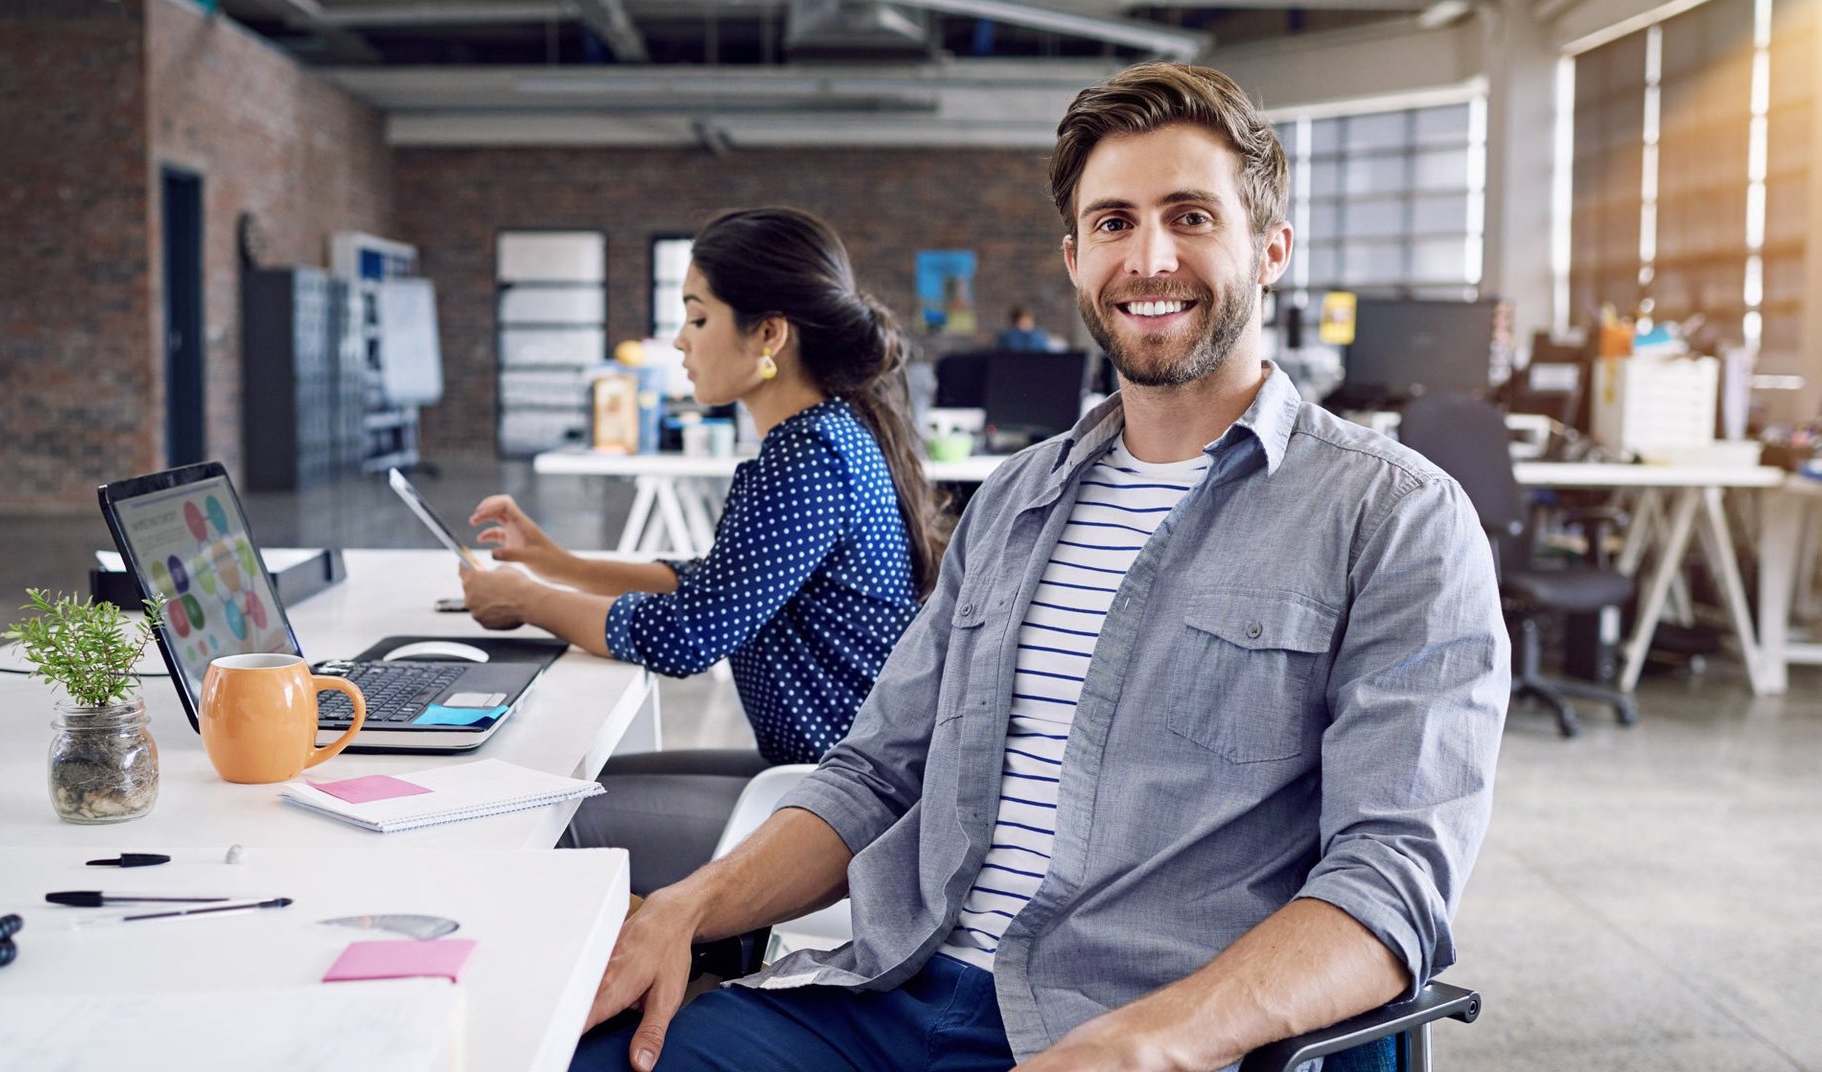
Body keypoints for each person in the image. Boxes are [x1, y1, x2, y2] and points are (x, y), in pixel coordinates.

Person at [573, 62, 1509, 1072]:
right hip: (887, 991)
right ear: (1073, 257)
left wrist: (1146, 1044)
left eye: (1189, 216)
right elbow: (877, 772)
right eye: (1113, 223)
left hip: (1133, 1025)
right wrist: (684, 908)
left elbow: (1390, 881)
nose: (1148, 257)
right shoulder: (1016, 500)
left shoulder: (1395, 518)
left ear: (1270, 248)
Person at [459, 206, 948, 896]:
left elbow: (686, 636)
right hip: (828, 774)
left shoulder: (809, 458)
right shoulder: (821, 436)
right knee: (577, 786)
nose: (679, 342)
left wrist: (528, 599)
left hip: (844, 806)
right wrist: (553, 561)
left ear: (768, 334)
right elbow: (718, 584)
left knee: (551, 818)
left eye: (697, 317)